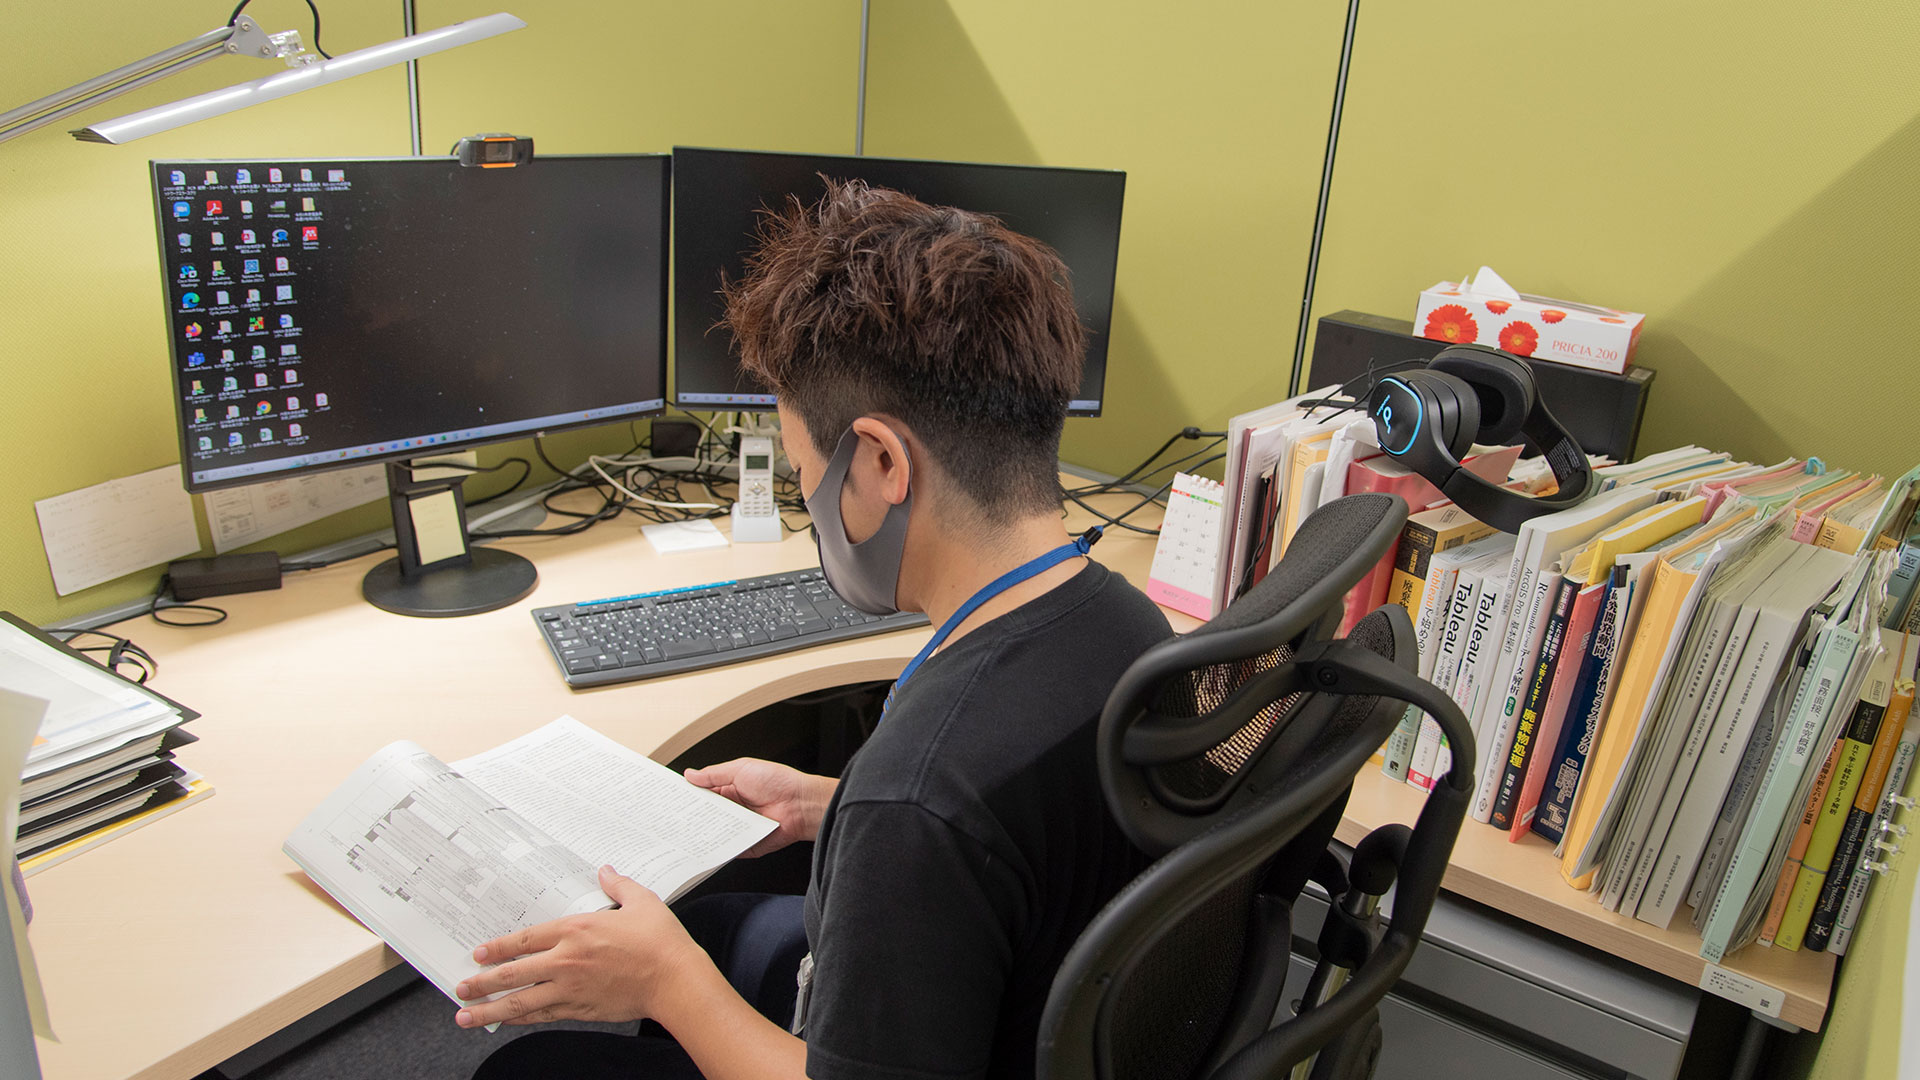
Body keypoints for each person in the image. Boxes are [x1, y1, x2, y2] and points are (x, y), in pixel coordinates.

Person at [462, 179, 1172, 1080]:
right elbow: (1027, 827)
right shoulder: (1126, 620)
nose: (810, 506)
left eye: (805, 476)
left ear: (879, 462)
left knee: (527, 1072)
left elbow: (936, 814)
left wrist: (666, 984)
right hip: (1041, 1013)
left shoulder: (918, 793)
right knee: (717, 927)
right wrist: (822, 804)